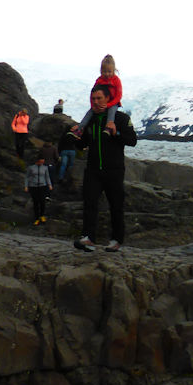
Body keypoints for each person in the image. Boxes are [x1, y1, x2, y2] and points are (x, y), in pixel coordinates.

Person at [74, 83, 137, 252]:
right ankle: (88, 238)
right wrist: (75, 137)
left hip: (114, 170)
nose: (95, 102)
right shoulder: (90, 120)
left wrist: (116, 133)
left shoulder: (121, 118)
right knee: (89, 203)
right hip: (93, 169)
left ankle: (116, 240)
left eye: (99, 98)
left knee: (116, 206)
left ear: (108, 99)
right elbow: (83, 144)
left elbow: (132, 140)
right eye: (93, 99)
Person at [73, 54, 123, 137]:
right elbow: (93, 92)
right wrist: (93, 106)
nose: (107, 74)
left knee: (111, 111)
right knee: (90, 112)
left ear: (114, 70)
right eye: (104, 72)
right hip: (101, 103)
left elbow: (118, 96)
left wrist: (108, 105)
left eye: (109, 72)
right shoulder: (99, 80)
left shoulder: (116, 80)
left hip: (113, 102)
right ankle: (80, 128)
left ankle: (109, 127)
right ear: (101, 71)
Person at [24, 154, 53, 225]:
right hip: (33, 187)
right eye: (41, 162)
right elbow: (27, 177)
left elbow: (47, 177)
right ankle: (36, 218)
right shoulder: (31, 168)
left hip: (42, 186)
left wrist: (49, 185)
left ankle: (42, 215)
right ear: (38, 161)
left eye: (43, 162)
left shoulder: (45, 168)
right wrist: (26, 186)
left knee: (43, 201)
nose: (42, 163)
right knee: (36, 202)